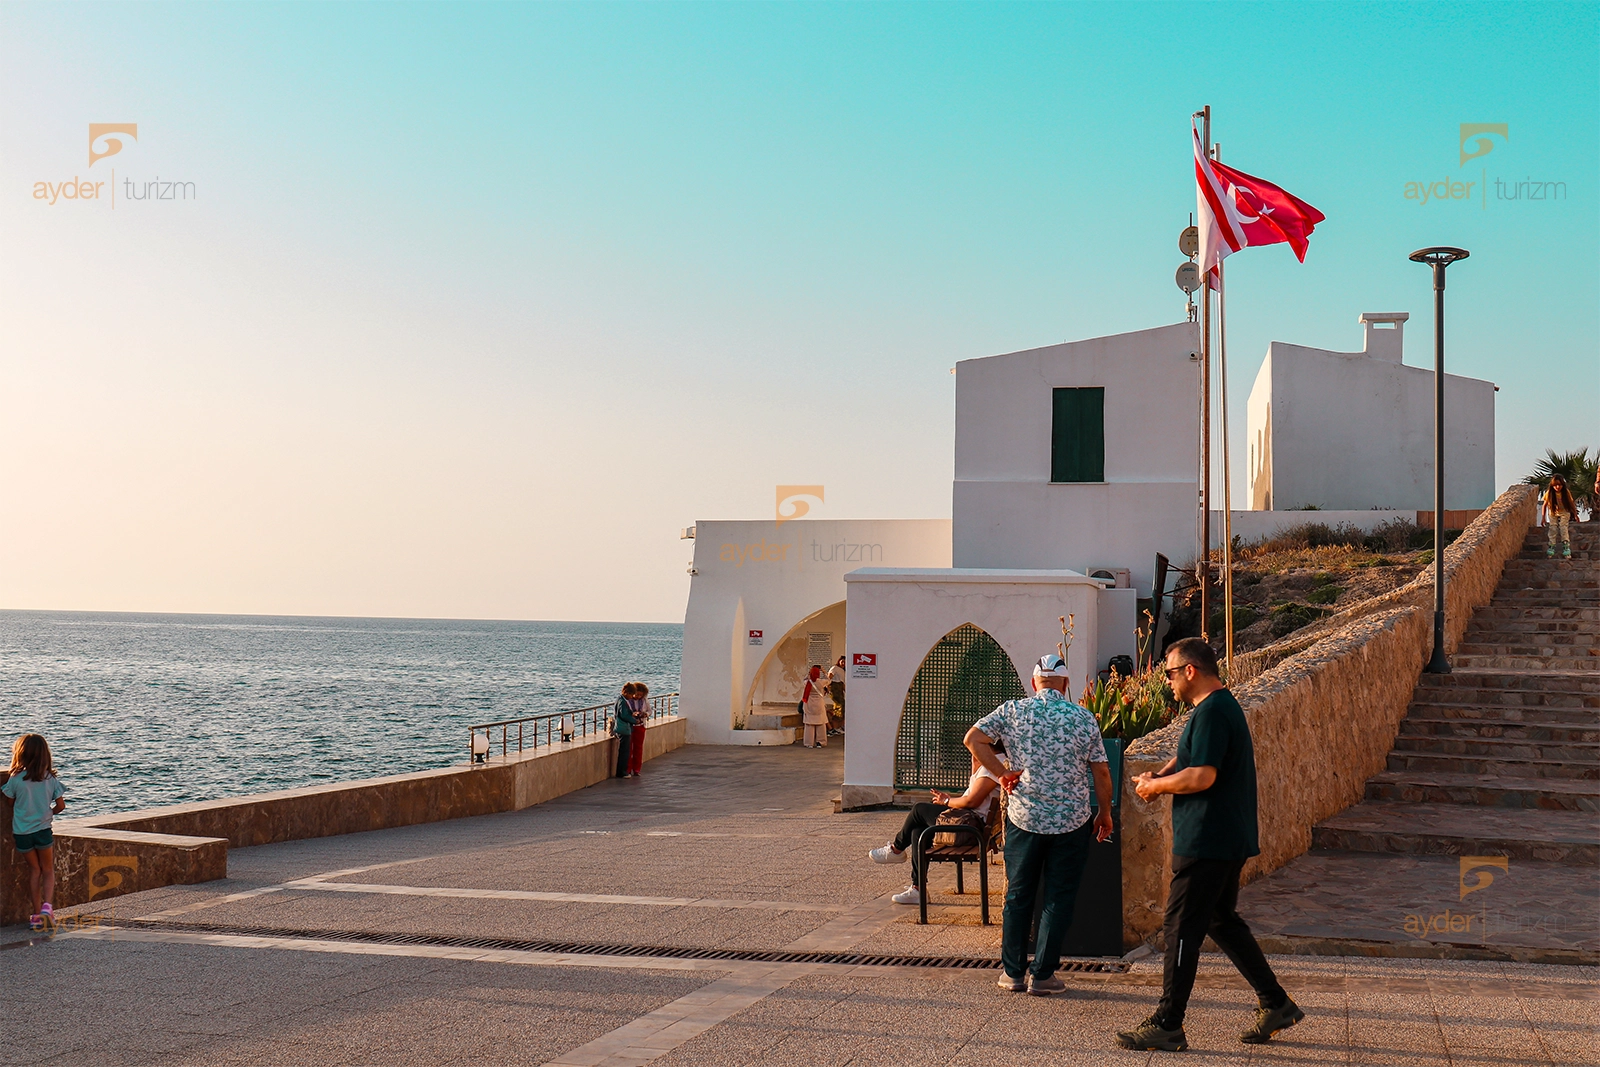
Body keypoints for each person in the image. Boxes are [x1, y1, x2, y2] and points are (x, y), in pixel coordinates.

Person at [1117, 638, 1302, 1052]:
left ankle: (1168, 1022)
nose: (1166, 683)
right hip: (1223, 837)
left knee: (1181, 927)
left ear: (1190, 671)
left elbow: (1202, 776)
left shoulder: (1215, 711)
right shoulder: (1212, 710)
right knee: (1221, 921)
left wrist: (1157, 788)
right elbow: (1190, 760)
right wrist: (1160, 775)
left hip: (1207, 839)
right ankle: (1276, 1003)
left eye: (1168, 673)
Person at [966, 654, 1113, 997]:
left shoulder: (1013, 711)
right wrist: (1104, 813)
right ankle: (1043, 975)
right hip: (1071, 820)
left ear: (1034, 683)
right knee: (1058, 897)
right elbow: (1102, 772)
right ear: (1065, 684)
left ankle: (1013, 973)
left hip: (1024, 818)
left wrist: (1002, 774)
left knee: (1018, 895)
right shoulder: (1083, 717)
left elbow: (973, 739)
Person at [867, 746, 1004, 905]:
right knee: (918, 830)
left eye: (973, 743)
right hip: (969, 822)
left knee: (919, 810)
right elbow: (972, 798)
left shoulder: (994, 766)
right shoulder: (990, 765)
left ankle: (896, 849)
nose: (970, 749)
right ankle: (918, 889)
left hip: (970, 829)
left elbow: (972, 802)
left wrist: (946, 801)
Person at [2, 734, 67, 930]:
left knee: (34, 870)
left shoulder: (15, 780)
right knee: (47, 870)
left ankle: (37, 913)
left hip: (22, 833)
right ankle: (48, 908)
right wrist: (49, 812)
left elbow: (10, 801)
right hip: (43, 830)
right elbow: (61, 806)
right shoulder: (50, 779)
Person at [1541, 474, 1578, 558]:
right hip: (1553, 512)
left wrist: (1575, 515)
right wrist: (1543, 517)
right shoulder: (1549, 493)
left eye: (1559, 485)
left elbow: (1571, 503)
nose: (1557, 487)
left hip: (1564, 511)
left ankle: (1566, 546)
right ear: (1552, 485)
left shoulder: (1566, 492)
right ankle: (1551, 545)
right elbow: (1544, 505)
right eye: (1555, 485)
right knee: (1553, 528)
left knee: (1563, 527)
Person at [799, 665, 829, 748]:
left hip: (809, 704)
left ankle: (809, 743)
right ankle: (820, 742)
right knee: (820, 724)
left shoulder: (807, 682)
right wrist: (824, 671)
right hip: (819, 704)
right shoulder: (821, 682)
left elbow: (804, 680)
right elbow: (828, 680)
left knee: (809, 725)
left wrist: (809, 673)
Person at [612, 684, 638, 778]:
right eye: (631, 695)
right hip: (623, 729)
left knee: (625, 751)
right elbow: (624, 715)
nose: (632, 697)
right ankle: (622, 772)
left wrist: (632, 714)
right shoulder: (622, 702)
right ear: (627, 693)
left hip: (622, 728)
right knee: (624, 751)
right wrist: (634, 721)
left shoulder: (621, 700)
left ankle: (622, 771)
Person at [627, 683, 650, 776]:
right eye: (637, 694)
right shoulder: (628, 701)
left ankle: (636, 769)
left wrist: (646, 714)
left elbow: (650, 710)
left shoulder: (644, 701)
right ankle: (627, 769)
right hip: (630, 726)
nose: (638, 696)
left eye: (640, 695)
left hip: (640, 726)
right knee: (629, 749)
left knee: (638, 748)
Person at [827, 656, 847, 736]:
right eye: (842, 661)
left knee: (843, 707)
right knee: (840, 705)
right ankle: (835, 727)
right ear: (839, 661)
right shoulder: (835, 668)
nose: (843, 663)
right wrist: (827, 687)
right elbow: (829, 677)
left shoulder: (843, 671)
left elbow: (842, 683)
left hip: (840, 689)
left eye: (845, 662)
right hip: (834, 688)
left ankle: (840, 726)